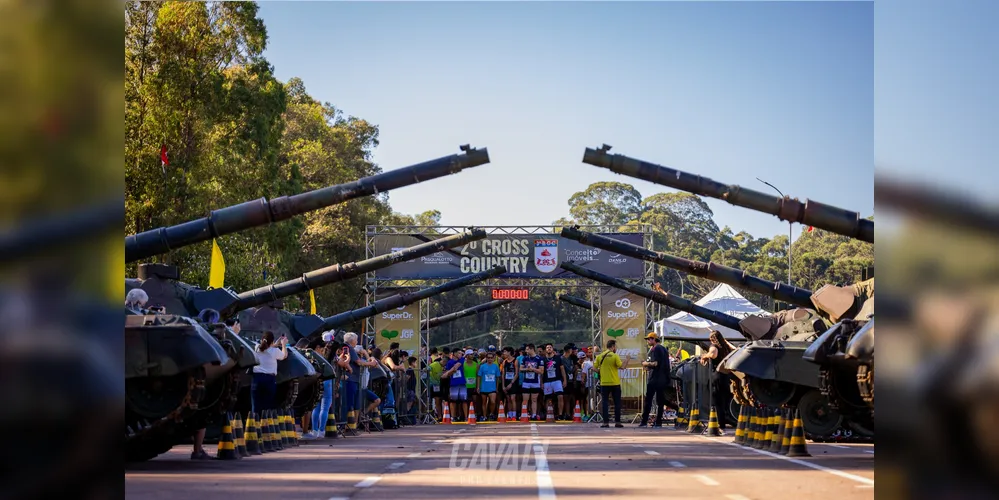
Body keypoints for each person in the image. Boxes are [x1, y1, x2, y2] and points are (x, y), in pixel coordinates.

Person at [700, 330, 737, 432]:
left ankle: (718, 425)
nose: (710, 340)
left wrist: (705, 356)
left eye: (711, 339)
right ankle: (722, 423)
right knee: (724, 402)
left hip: (716, 376)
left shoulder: (714, 346)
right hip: (726, 376)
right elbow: (735, 350)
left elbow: (713, 354)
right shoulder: (725, 347)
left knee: (716, 402)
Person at [639, 332, 676, 428]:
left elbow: (655, 363)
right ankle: (658, 421)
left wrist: (645, 363)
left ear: (654, 339)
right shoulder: (663, 349)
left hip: (655, 379)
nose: (648, 341)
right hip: (662, 379)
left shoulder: (656, 349)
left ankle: (644, 421)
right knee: (660, 401)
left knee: (649, 400)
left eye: (649, 339)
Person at [339, 332, 379, 420]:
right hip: (350, 379)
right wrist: (370, 363)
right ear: (352, 340)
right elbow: (358, 362)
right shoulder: (348, 348)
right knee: (349, 403)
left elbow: (359, 358)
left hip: (354, 379)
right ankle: (347, 424)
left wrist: (366, 356)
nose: (357, 342)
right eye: (356, 340)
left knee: (355, 403)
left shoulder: (350, 348)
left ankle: (353, 425)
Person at [594, 339, 633, 428]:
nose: (616, 348)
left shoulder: (600, 356)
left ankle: (605, 422)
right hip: (615, 383)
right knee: (617, 403)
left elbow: (594, 368)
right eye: (615, 346)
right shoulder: (615, 356)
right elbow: (622, 367)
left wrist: (600, 372)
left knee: (604, 402)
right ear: (612, 347)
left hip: (604, 383)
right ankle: (617, 422)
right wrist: (627, 359)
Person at [306, 331, 337, 439]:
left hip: (316, 380)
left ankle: (314, 430)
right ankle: (321, 430)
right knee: (325, 407)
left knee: (316, 406)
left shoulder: (312, 353)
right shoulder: (329, 353)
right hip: (327, 380)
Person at [251, 330, 288, 415]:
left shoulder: (256, 347)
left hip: (256, 379)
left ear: (262, 339)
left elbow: (265, 347)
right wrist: (283, 344)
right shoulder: (274, 351)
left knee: (255, 406)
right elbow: (284, 355)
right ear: (271, 341)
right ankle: (264, 426)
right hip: (269, 380)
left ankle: (253, 425)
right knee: (267, 406)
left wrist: (274, 344)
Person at [519, 344, 544, 420]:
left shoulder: (539, 358)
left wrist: (533, 369)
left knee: (534, 399)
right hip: (526, 382)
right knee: (525, 399)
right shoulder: (525, 358)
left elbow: (541, 371)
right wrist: (527, 369)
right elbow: (521, 369)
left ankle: (534, 415)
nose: (526, 351)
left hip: (535, 382)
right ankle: (524, 414)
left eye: (527, 349)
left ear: (531, 349)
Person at [443, 349, 467, 421]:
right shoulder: (450, 362)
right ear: (454, 354)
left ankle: (466, 417)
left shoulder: (462, 360)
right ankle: (453, 417)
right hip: (453, 383)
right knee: (453, 401)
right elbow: (448, 374)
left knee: (464, 400)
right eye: (459, 353)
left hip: (462, 382)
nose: (460, 354)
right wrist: (453, 370)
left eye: (461, 353)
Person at [477, 350, 501, 420]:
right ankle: (484, 416)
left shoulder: (496, 366)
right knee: (484, 402)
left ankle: (491, 413)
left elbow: (497, 378)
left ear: (493, 359)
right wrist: (478, 387)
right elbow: (479, 377)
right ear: (486, 358)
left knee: (493, 402)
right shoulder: (482, 366)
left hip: (492, 388)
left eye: (491, 358)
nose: (490, 359)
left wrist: (496, 387)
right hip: (484, 387)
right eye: (488, 358)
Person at [500, 346, 519, 420]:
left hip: (513, 382)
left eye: (505, 351)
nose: (504, 353)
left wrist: (511, 383)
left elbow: (517, 374)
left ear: (509, 352)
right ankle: (509, 415)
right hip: (506, 381)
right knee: (508, 399)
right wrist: (503, 385)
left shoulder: (515, 361)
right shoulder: (504, 361)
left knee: (513, 398)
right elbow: (503, 374)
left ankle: (514, 415)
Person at [463, 349, 481, 418]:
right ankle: (466, 415)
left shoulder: (476, 365)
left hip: (474, 386)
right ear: (467, 355)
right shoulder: (463, 364)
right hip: (466, 386)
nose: (472, 355)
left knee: (475, 401)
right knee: (466, 401)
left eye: (472, 354)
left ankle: (475, 414)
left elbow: (477, 376)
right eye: (470, 354)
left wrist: (477, 386)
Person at [428, 350, 446, 420]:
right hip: (432, 385)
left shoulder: (442, 367)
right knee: (436, 400)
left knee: (438, 401)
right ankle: (438, 415)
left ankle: (439, 416)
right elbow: (427, 368)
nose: (444, 366)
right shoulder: (435, 364)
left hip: (438, 385)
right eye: (445, 364)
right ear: (443, 361)